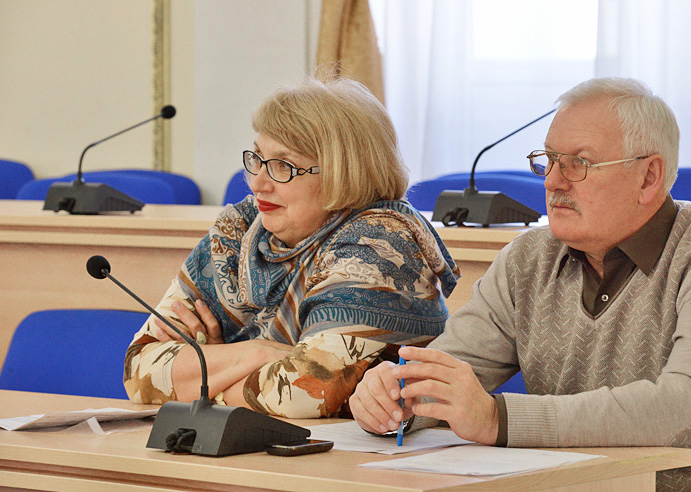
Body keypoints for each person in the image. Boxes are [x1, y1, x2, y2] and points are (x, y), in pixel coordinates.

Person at [350, 77, 691, 491]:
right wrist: (393, 398)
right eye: (550, 159)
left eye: (580, 163)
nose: (553, 181)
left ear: (649, 177)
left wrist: (497, 419)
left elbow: (684, 408)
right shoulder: (527, 259)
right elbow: (445, 374)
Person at [123, 75, 459, 419]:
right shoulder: (241, 229)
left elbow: (301, 392)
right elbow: (138, 373)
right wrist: (255, 353)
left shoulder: (379, 242)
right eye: (257, 158)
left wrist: (202, 379)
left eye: (283, 165)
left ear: (343, 172)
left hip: (361, 451)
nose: (257, 183)